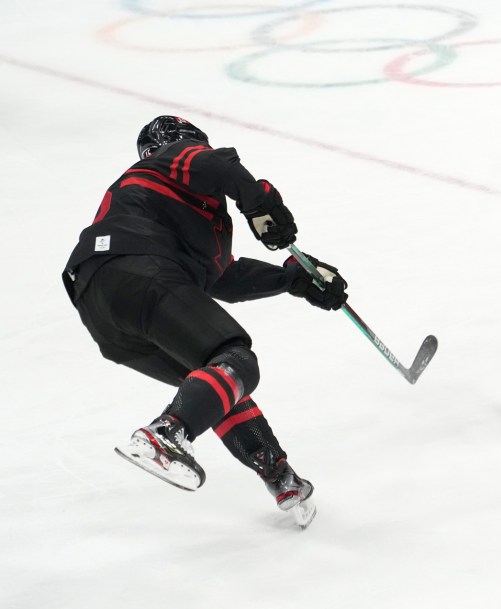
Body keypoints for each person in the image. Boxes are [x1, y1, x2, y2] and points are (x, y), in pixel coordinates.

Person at [62, 116, 348, 524]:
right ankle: (167, 434)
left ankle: (280, 476)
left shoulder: (180, 210)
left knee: (216, 381)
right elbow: (222, 166)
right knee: (236, 361)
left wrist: (292, 279)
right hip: (137, 267)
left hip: (100, 303)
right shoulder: (172, 157)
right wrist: (261, 203)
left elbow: (225, 278)